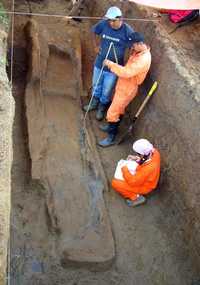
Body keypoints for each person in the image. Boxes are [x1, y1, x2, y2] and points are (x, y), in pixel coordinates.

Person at [98, 32, 151, 147]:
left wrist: (111, 64)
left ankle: (111, 137)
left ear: (139, 44)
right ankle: (111, 127)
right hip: (124, 85)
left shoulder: (143, 59)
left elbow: (127, 72)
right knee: (119, 109)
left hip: (128, 88)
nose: (131, 48)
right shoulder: (139, 52)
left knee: (112, 112)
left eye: (132, 45)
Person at [83, 6, 135, 120]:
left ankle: (102, 106)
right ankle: (94, 102)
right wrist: (95, 46)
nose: (110, 23)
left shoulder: (127, 30)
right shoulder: (104, 24)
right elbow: (93, 31)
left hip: (114, 68)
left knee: (107, 90)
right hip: (100, 62)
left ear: (120, 19)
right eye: (109, 20)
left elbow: (134, 46)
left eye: (112, 20)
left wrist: (128, 61)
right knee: (96, 84)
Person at [112, 139, 160, 207]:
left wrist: (124, 168)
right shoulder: (154, 152)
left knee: (116, 183)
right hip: (146, 178)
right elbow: (145, 161)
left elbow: (133, 182)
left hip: (145, 186)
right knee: (131, 166)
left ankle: (136, 197)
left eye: (138, 154)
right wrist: (137, 158)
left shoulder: (148, 169)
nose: (137, 154)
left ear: (143, 154)